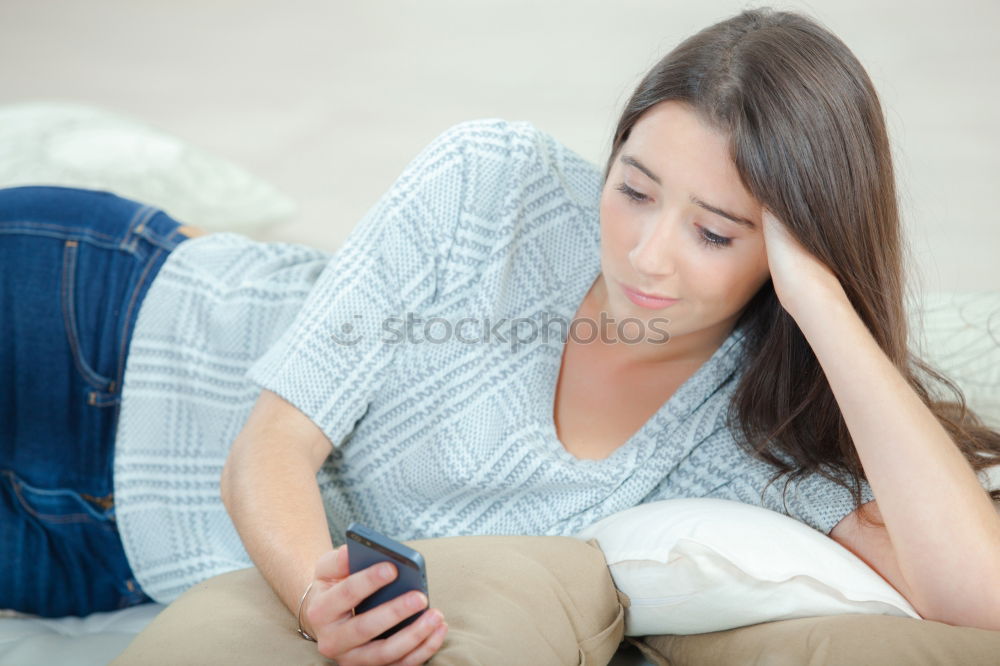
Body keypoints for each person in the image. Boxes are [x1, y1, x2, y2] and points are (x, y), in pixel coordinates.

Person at [3, 5, 1000, 664]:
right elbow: (269, 448)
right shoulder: (498, 181)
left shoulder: (751, 440)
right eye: (635, 190)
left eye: (713, 229)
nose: (648, 256)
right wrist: (324, 608)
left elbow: (979, 600)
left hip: (105, 555)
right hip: (95, 320)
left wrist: (821, 303)